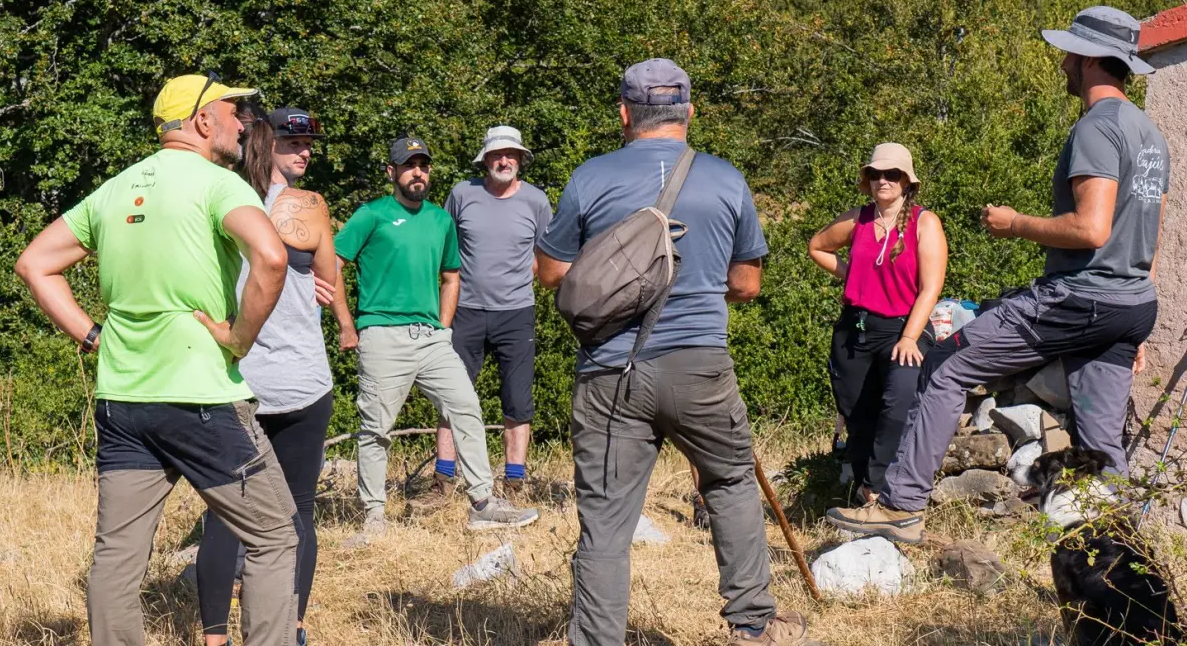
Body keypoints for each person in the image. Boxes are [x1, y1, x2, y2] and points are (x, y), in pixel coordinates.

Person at [828, 5, 1169, 545]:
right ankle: (1120, 548)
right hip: (1128, 303)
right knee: (1102, 439)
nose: (1063, 63)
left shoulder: (1097, 128)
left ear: (1087, 59)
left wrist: (1015, 224)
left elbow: (1092, 228)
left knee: (944, 366)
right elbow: (1150, 233)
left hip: (1077, 299)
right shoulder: (1149, 134)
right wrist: (1132, 314)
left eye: (1068, 54)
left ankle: (901, 506)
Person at [537, 58, 821, 646]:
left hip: (610, 370)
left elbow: (552, 273)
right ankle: (752, 625)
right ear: (689, 112)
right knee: (730, 482)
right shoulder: (726, 179)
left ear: (624, 114)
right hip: (699, 364)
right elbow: (747, 284)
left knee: (606, 522)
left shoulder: (590, 178)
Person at [15, 74, 299, 646]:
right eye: (233, 112)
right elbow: (271, 257)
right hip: (200, 398)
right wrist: (238, 338)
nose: (243, 124)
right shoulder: (218, 184)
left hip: (122, 400)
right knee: (274, 536)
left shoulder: (115, 189)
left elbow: (34, 264)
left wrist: (93, 336)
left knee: (117, 556)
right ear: (202, 121)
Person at [332, 135, 539, 539]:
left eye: (424, 166)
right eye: (409, 166)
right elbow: (332, 265)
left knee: (466, 407)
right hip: (382, 335)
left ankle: (482, 503)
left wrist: (443, 330)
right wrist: (346, 324)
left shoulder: (441, 220)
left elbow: (451, 277)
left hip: (431, 339)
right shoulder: (371, 215)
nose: (418, 173)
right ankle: (374, 517)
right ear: (391, 172)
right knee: (376, 429)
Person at [196, 106, 338, 646]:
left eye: (308, 143)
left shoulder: (219, 199)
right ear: (266, 143)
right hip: (286, 379)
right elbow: (329, 278)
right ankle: (289, 629)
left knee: (225, 512)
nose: (304, 150)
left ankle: (221, 637)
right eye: (292, 142)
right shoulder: (309, 206)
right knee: (295, 508)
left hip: (245, 377)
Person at [807, 143, 947, 506]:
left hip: (903, 328)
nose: (882, 180)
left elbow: (931, 288)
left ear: (906, 181)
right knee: (856, 410)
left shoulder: (924, 222)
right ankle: (860, 492)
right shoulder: (859, 218)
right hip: (856, 328)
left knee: (898, 399)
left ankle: (878, 487)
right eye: (875, 174)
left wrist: (910, 337)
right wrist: (854, 277)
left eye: (892, 174)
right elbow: (817, 246)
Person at [438, 125, 553, 499]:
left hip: (516, 313)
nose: (504, 161)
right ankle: (443, 479)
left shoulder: (536, 201)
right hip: (465, 309)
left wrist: (517, 281)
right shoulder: (462, 193)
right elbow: (445, 246)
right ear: (485, 160)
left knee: (517, 400)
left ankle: (514, 483)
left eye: (510, 155)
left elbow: (544, 254)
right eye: (497, 155)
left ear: (520, 159)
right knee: (452, 395)